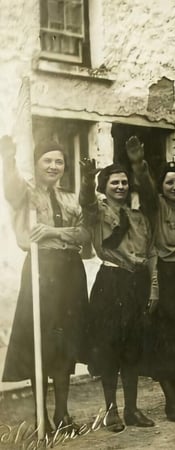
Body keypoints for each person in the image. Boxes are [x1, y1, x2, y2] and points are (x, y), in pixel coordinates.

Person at [1, 137, 90, 433]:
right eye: (47, 160)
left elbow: (84, 236)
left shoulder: (70, 198)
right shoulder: (26, 193)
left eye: (59, 161)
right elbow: (11, 189)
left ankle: (63, 414)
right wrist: (9, 160)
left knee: (65, 344)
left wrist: (53, 232)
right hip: (41, 271)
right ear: (37, 164)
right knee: (40, 342)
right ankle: (42, 417)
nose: (53, 166)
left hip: (69, 273)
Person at [79, 137, 158, 431]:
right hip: (111, 282)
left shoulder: (139, 217)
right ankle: (111, 410)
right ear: (105, 186)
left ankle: (132, 410)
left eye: (125, 182)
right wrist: (87, 179)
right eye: (114, 182)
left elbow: (150, 253)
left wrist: (153, 287)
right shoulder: (99, 212)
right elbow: (86, 202)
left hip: (136, 284)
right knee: (110, 348)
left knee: (132, 349)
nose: (121, 186)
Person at [131, 133, 175, 422]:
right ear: (162, 186)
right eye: (169, 182)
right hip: (168, 274)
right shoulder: (157, 205)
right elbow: (146, 190)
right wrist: (138, 165)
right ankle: (171, 402)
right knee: (168, 342)